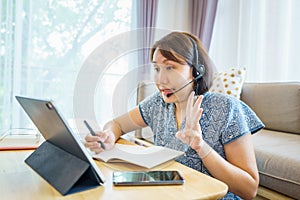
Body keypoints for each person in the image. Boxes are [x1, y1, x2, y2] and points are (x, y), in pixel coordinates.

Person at [84, 31, 264, 200]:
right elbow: (117, 124)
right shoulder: (158, 103)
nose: (161, 79)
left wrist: (201, 147)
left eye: (170, 68)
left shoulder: (226, 108)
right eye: (156, 68)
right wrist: (108, 135)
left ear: (196, 70)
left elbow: (249, 189)